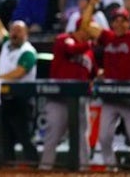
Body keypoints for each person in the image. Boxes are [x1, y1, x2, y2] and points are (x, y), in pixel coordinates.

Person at [83, 0, 130, 171]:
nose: (119, 23)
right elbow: (86, 25)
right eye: (116, 20)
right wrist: (92, 5)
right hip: (110, 95)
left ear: (128, 23)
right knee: (104, 137)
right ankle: (111, 169)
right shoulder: (108, 36)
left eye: (123, 20)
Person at [0, 2, 39, 165]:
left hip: (22, 99)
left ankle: (34, 167)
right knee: (5, 136)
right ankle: (8, 167)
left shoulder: (28, 51)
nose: (14, 34)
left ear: (26, 34)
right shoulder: (7, 44)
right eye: (13, 30)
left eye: (19, 31)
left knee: (24, 136)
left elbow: (19, 72)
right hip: (4, 97)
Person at [39, 24, 95, 171]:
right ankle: (45, 169)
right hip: (59, 98)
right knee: (53, 135)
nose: (87, 35)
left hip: (80, 99)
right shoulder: (64, 39)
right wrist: (89, 43)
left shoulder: (89, 52)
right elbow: (71, 50)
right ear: (77, 30)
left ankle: (84, 170)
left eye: (89, 33)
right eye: (85, 31)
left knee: (82, 137)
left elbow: (93, 73)